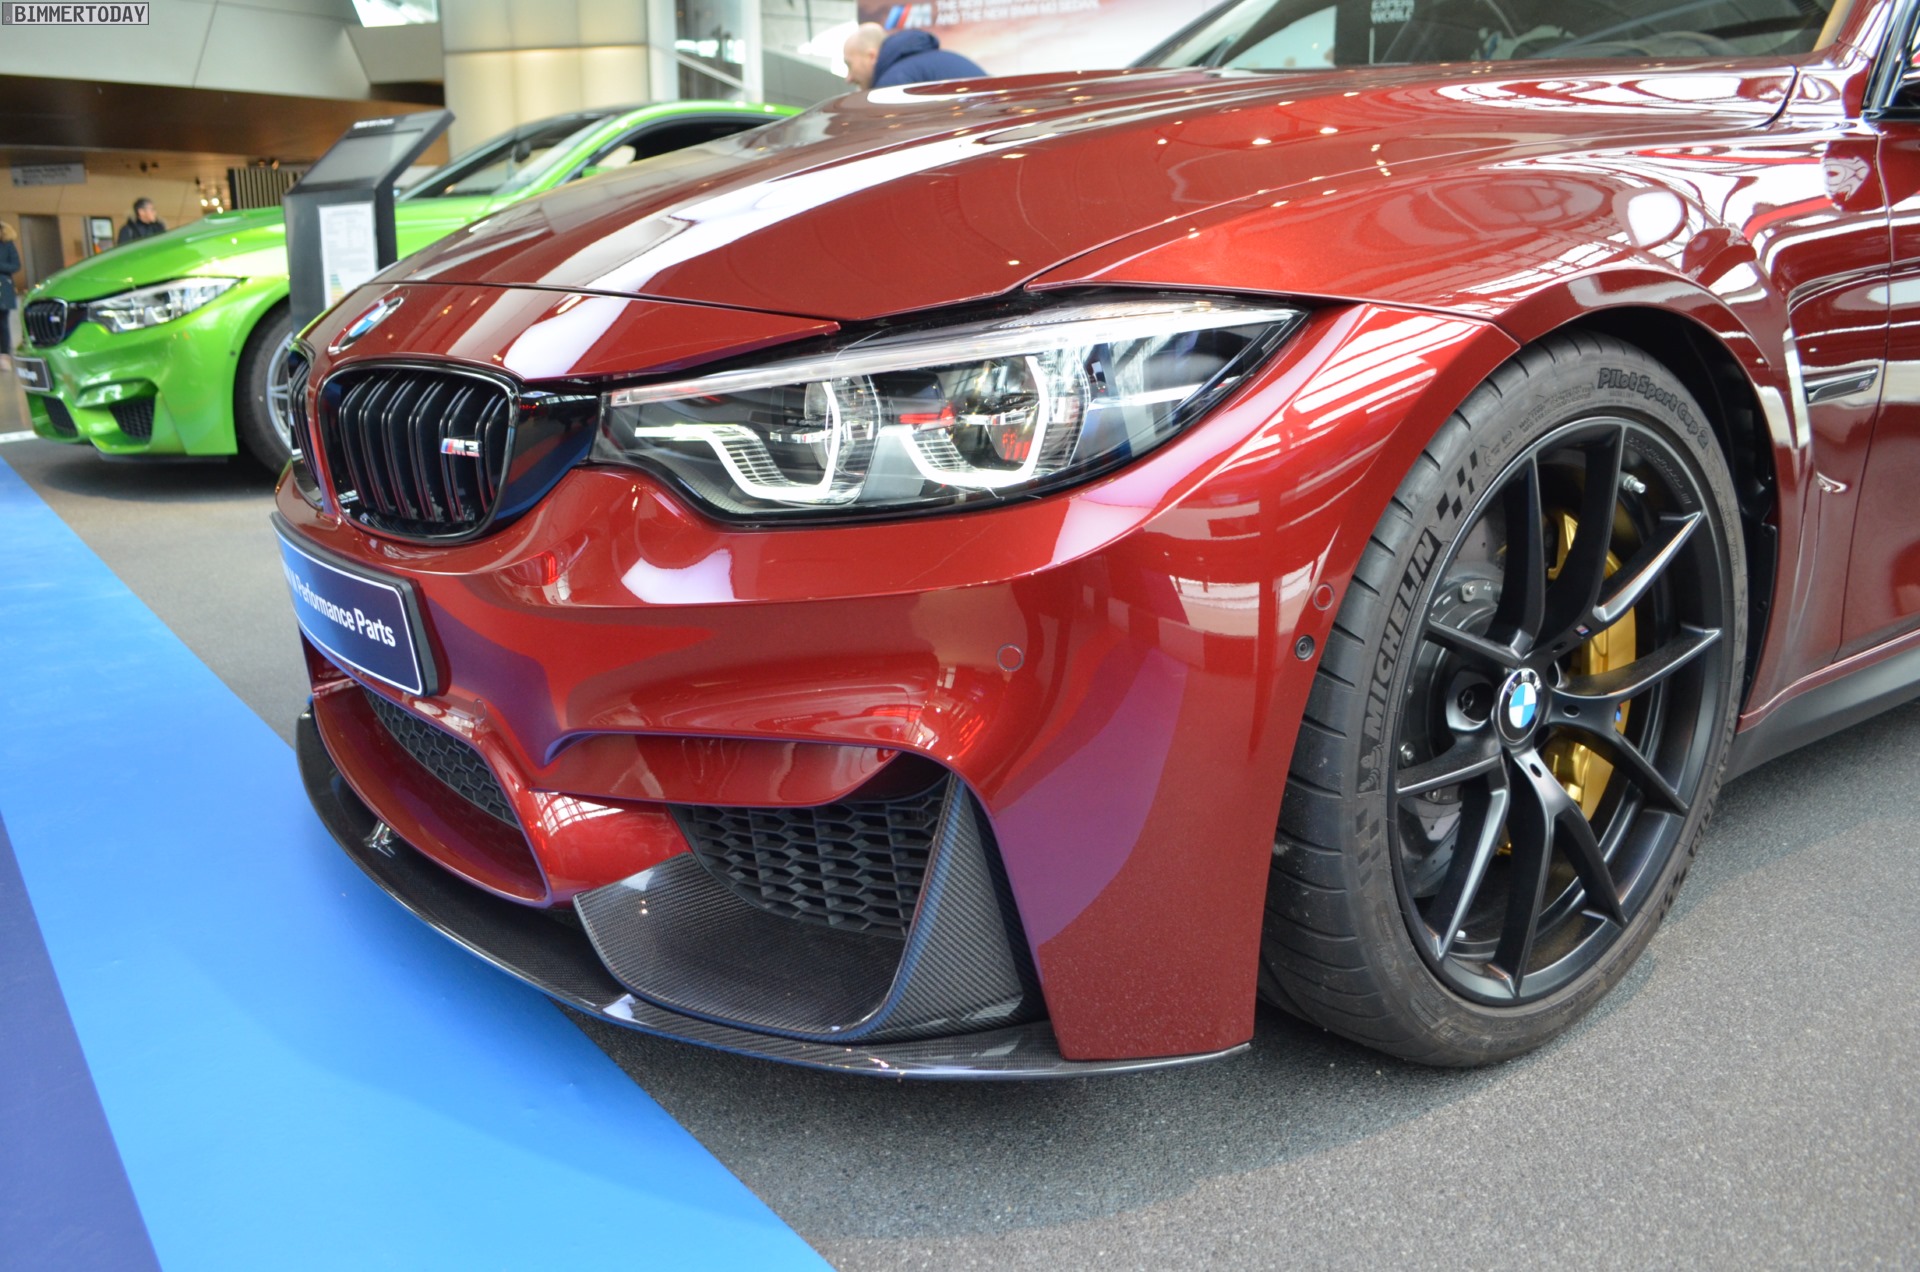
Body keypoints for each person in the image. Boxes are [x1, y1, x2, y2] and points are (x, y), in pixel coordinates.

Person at [843, 22, 986, 90]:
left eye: (849, 65)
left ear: (871, 56)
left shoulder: (893, 82)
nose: (848, 78)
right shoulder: (916, 66)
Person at [0, 220, 20, 374]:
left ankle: (4, 356)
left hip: (3, 288)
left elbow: (16, 265)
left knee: (2, 324)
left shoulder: (7, 245)